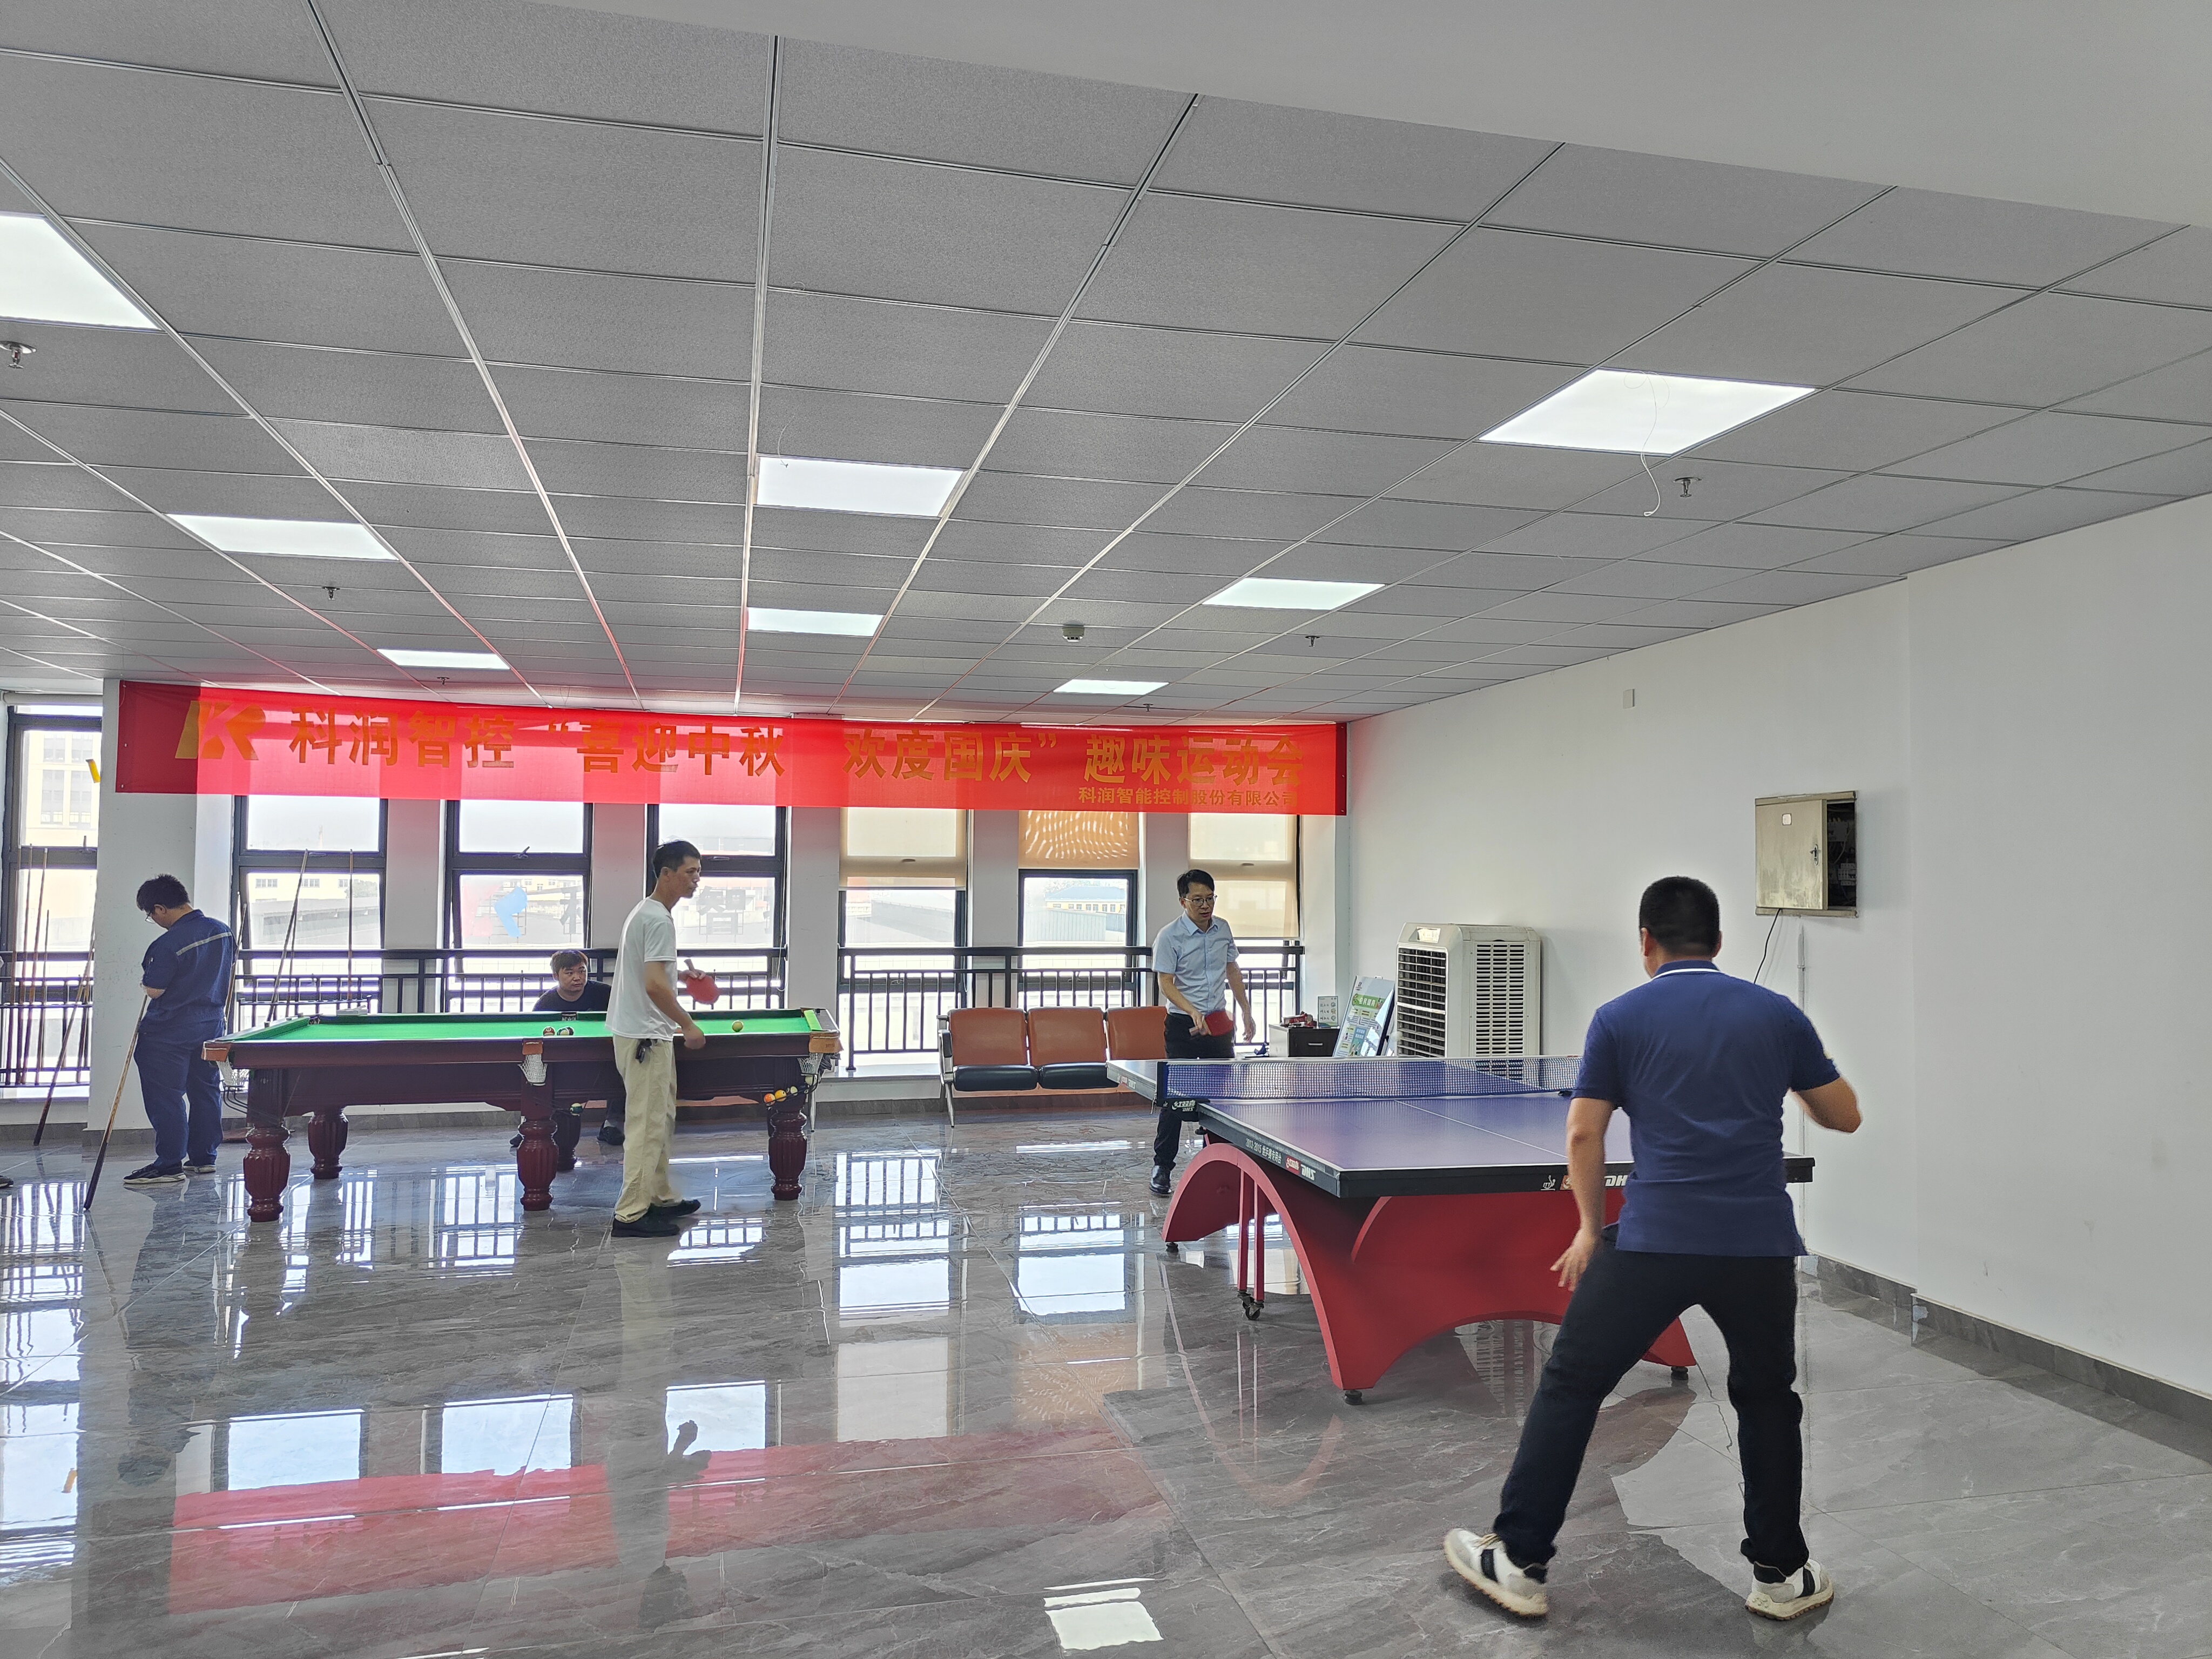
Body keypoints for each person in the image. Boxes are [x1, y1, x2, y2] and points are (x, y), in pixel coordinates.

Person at [1445, 876, 1862, 1624]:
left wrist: (1586, 1227)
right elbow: (1844, 1115)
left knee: (1572, 1384)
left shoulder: (1619, 1019)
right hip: (1758, 1245)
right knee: (1767, 1398)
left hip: (1655, 1241)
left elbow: (1584, 1132)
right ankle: (1781, 1576)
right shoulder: (1776, 1014)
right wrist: (1789, 1073)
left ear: (1646, 941)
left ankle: (1519, 1559)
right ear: (1719, 941)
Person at [606, 841, 708, 1238]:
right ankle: (630, 1214)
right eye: (689, 872)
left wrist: (680, 977)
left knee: (660, 1121)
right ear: (666, 874)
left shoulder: (646, 911)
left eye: (699, 872)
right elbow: (652, 986)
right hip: (646, 1037)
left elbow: (649, 973)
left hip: (642, 1033)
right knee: (647, 1127)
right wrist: (688, 1024)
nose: (696, 879)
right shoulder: (659, 920)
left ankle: (659, 1196)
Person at [122, 875, 235, 1188]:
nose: (154, 920)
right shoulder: (222, 931)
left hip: (168, 1032)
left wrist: (145, 984)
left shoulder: (167, 944)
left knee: (166, 1097)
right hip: (212, 1027)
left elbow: (155, 990)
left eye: (151, 915)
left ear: (161, 909)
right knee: (206, 1091)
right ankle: (203, 1158)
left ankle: (169, 1164)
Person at [1148, 867, 1255, 1197]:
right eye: (1198, 900)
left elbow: (1232, 970)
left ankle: (1222, 1164)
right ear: (1183, 901)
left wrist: (1246, 1010)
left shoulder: (1223, 929)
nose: (1205, 905)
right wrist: (1192, 1010)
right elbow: (1166, 983)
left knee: (1223, 1098)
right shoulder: (1169, 936)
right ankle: (1162, 1167)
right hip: (1183, 1025)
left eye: (1210, 898)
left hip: (1217, 1024)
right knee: (1176, 1098)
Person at [513, 950, 622, 1157]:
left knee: (622, 1067)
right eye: (570, 973)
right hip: (562, 1058)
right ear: (556, 976)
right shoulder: (546, 1004)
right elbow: (534, 1037)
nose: (577, 977)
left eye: (582, 971)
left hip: (603, 1051)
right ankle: (533, 1124)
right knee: (537, 1071)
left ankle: (612, 1125)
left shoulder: (605, 994)